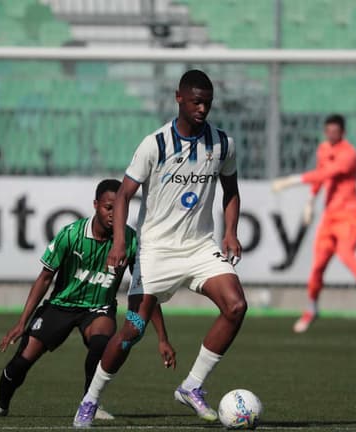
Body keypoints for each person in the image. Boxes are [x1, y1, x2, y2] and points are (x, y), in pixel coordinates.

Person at [73, 70, 247, 428]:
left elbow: (231, 190)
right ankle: (90, 400)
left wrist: (230, 232)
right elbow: (123, 195)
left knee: (236, 306)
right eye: (196, 101)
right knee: (132, 330)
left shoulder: (222, 144)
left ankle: (192, 387)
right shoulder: (155, 144)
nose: (203, 108)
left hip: (199, 247)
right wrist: (120, 241)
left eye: (208, 103)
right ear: (179, 98)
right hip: (156, 253)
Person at [0, 179, 176, 419]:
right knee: (22, 360)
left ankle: (90, 404)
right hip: (60, 306)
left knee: (101, 345)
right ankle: (1, 404)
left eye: (119, 208)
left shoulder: (130, 242)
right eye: (108, 208)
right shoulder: (71, 235)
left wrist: (163, 338)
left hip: (98, 308)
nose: (113, 214)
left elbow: (145, 290)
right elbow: (45, 278)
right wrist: (21, 322)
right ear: (95, 205)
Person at [271, 114, 356, 333]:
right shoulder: (323, 148)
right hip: (329, 217)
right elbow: (321, 178)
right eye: (328, 131)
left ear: (342, 132)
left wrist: (291, 181)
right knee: (317, 267)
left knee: (346, 255)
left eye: (335, 132)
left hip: (349, 215)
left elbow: (328, 172)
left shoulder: (349, 153)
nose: (331, 135)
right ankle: (312, 309)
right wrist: (309, 201)